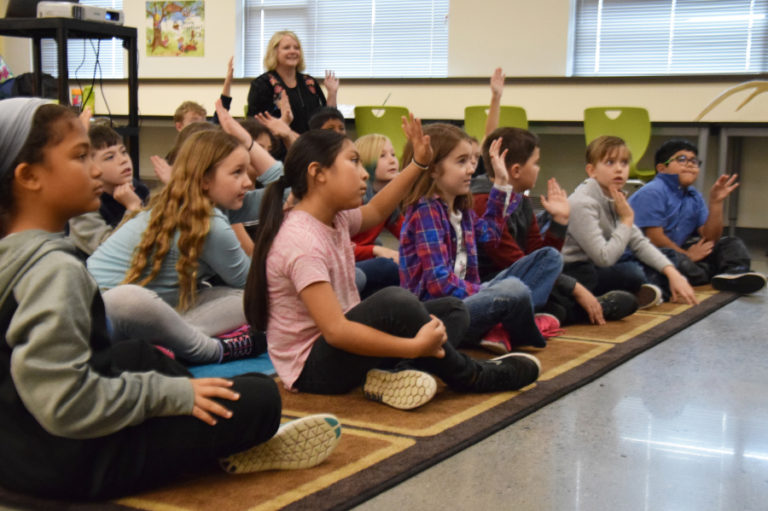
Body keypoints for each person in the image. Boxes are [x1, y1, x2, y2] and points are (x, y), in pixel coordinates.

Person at [0, 97, 340, 500]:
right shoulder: (54, 272)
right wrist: (177, 395)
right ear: (29, 176)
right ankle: (221, 431)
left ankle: (200, 406)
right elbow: (66, 404)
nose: (96, 169)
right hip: (61, 467)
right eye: (80, 156)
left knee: (138, 359)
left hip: (21, 447)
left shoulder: (21, 252)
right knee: (259, 398)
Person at [244, 115, 541, 411]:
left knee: (452, 308)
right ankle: (471, 376)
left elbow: (376, 209)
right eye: (354, 162)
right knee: (395, 299)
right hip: (315, 370)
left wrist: (419, 164)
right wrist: (413, 346)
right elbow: (335, 331)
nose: (363, 174)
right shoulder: (301, 241)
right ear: (318, 173)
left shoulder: (334, 218)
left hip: (341, 350)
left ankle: (396, 374)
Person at [88, 102, 284, 364]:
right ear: (204, 180)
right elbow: (257, 288)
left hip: (151, 313)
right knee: (254, 300)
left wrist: (246, 140)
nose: (249, 181)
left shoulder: (209, 203)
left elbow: (288, 191)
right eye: (237, 172)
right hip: (101, 320)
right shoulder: (210, 222)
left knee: (237, 299)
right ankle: (203, 348)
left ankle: (172, 341)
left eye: (247, 171)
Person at [399, 123, 557, 352]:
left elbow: (490, 236)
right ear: (433, 169)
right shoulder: (427, 211)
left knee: (548, 259)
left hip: (470, 297)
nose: (471, 169)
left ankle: (504, 324)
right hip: (441, 314)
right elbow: (438, 283)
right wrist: (486, 291)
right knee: (514, 289)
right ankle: (516, 323)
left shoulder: (461, 209)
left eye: (471, 161)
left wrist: (503, 184)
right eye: (461, 161)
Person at [473, 127, 638, 326]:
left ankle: (556, 313)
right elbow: (514, 262)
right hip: (494, 280)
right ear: (516, 170)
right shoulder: (482, 201)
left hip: (521, 275)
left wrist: (559, 222)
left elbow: (539, 255)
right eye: (536, 163)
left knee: (576, 279)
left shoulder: (520, 199)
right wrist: (574, 288)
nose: (539, 169)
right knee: (549, 292)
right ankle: (576, 311)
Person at [562, 135, 699, 307]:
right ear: (591, 170)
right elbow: (604, 258)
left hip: (599, 266)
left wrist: (673, 273)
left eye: (624, 163)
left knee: (668, 259)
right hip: (575, 271)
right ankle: (631, 295)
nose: (619, 169)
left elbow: (639, 243)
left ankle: (645, 291)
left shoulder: (614, 196)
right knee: (632, 272)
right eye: (610, 162)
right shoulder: (582, 202)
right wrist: (626, 220)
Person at [628, 139, 766, 294]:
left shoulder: (693, 195)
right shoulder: (653, 191)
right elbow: (655, 238)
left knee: (731, 243)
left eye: (694, 161)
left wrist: (716, 203)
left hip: (679, 252)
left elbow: (710, 238)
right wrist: (688, 255)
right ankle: (708, 273)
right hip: (649, 254)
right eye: (681, 159)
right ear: (661, 168)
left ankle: (734, 274)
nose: (690, 164)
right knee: (680, 262)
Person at [68, 122, 150, 256]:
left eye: (123, 152)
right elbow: (109, 253)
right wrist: (133, 209)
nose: (123, 160)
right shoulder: (83, 208)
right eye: (110, 157)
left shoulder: (140, 190)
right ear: (90, 167)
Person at [246, 30, 338, 134]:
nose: (293, 51)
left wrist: (332, 93)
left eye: (296, 48)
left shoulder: (309, 82)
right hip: (278, 146)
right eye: (286, 48)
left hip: (312, 145)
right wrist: (283, 122)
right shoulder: (262, 84)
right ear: (275, 52)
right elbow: (255, 126)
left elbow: (328, 120)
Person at [352, 133, 403, 298]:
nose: (392, 160)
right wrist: (376, 250)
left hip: (365, 261)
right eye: (382, 156)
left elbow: (407, 234)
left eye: (393, 154)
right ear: (366, 162)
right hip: (347, 264)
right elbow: (338, 248)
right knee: (386, 267)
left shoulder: (387, 199)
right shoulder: (354, 201)